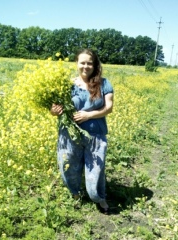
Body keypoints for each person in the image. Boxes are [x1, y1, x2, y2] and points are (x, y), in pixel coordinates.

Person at [50, 48, 114, 214]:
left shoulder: (104, 83)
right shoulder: (67, 84)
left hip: (95, 134)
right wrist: (54, 111)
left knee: (96, 172)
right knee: (68, 166)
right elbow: (55, 109)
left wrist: (89, 115)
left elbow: (109, 107)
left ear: (94, 65)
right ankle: (75, 194)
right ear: (77, 64)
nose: (86, 66)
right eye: (82, 62)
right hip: (69, 134)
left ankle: (99, 197)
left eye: (89, 63)